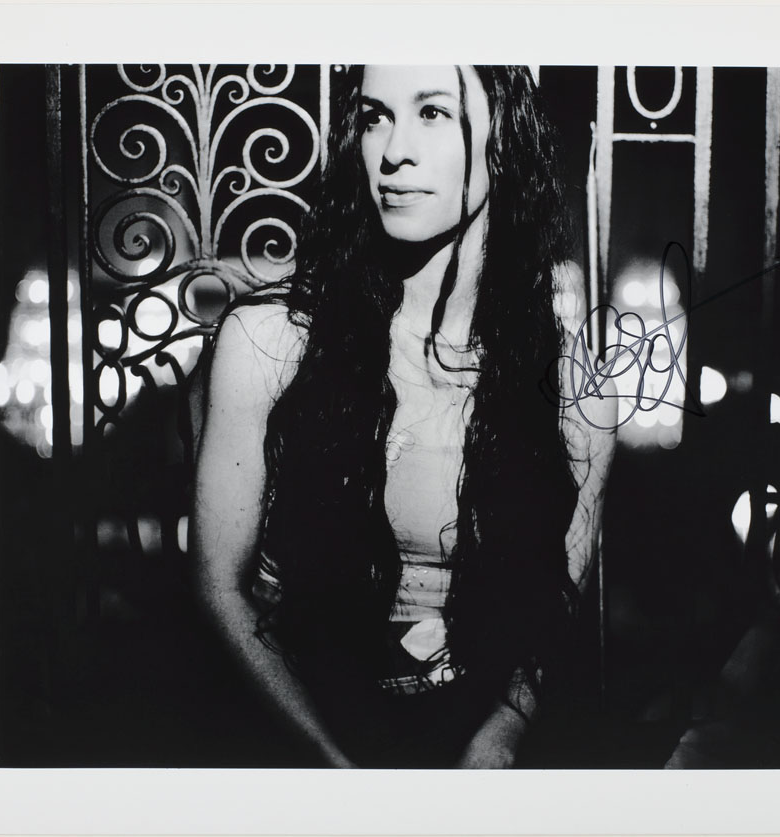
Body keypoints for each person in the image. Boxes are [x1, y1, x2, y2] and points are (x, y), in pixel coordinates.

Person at [190, 65, 617, 768]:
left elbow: (554, 606)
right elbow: (219, 589)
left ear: (506, 138)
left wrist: (500, 737)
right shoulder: (270, 342)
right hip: (297, 737)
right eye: (375, 117)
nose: (394, 152)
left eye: (432, 113)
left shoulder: (575, 386)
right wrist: (338, 772)